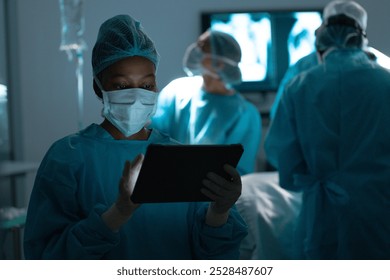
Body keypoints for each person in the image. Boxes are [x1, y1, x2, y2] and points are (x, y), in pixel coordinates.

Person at [23, 14, 248, 260]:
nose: (136, 95)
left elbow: (218, 257)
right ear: (99, 86)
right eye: (121, 86)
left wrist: (219, 211)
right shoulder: (68, 158)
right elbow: (46, 258)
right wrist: (117, 214)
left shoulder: (180, 159)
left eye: (147, 85)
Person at [264, 1, 390, 259]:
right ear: (361, 40)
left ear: (319, 45)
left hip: (322, 213)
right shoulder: (385, 81)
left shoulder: (299, 85)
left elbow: (285, 163)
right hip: (379, 209)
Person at [151, 30, 261, 175]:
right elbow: (153, 138)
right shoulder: (176, 91)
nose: (194, 50)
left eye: (202, 47)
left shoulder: (244, 113)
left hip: (212, 192)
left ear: (220, 63)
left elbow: (237, 172)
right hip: (164, 180)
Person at [270, 0, 370, 120]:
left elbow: (279, 120)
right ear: (362, 35)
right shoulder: (381, 78)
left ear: (322, 31)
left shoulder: (300, 77)